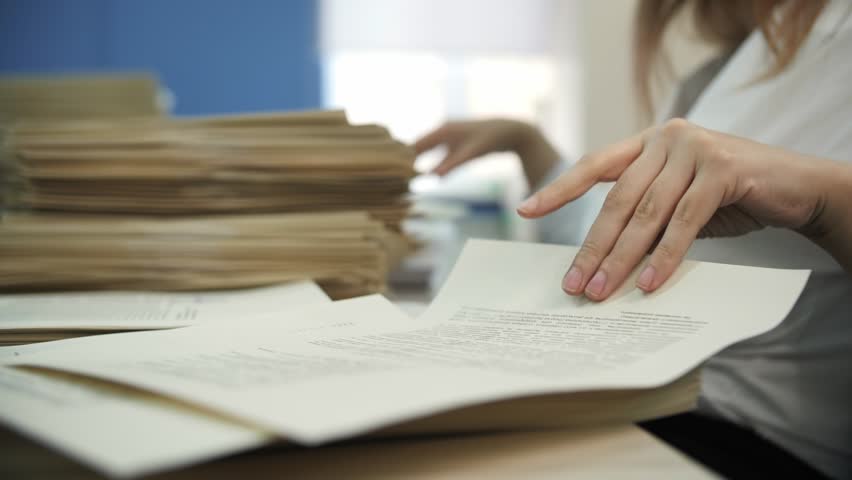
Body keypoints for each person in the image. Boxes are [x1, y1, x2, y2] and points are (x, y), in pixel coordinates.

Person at [414, 0, 852, 478]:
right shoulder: (718, 78)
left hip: (748, 438)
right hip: (632, 408)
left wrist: (824, 199)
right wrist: (528, 146)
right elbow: (605, 241)